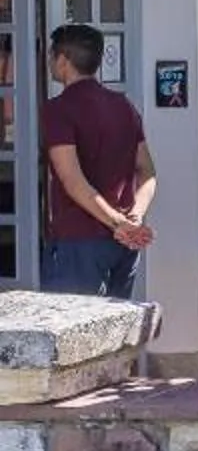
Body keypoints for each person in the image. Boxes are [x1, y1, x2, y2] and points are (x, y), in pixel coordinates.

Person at [41, 24, 156, 299]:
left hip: (78, 241)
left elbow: (72, 180)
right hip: (122, 245)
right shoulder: (123, 106)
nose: (48, 62)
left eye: (50, 55)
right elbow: (147, 171)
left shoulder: (59, 110)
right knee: (115, 334)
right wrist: (134, 218)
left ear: (63, 60)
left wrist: (120, 223)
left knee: (70, 332)